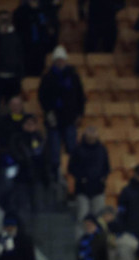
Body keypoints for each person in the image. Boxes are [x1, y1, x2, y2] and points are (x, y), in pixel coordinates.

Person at [38, 46, 85, 181]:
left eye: (62, 60)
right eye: (58, 60)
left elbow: (80, 96)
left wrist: (79, 114)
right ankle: (55, 176)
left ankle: (73, 175)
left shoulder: (73, 76)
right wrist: (48, 112)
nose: (60, 62)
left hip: (70, 118)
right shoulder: (48, 77)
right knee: (54, 151)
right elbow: (42, 97)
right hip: (54, 121)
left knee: (72, 149)